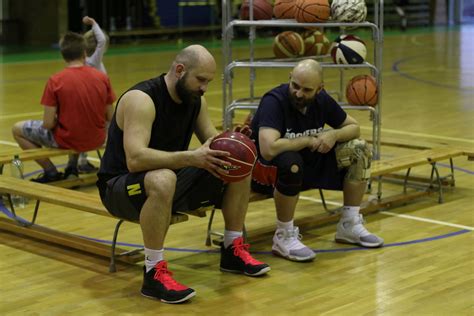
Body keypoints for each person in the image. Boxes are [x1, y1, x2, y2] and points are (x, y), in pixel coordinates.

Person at [96, 45, 270, 304]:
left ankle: (232, 248)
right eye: (200, 80)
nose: (204, 88)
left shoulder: (195, 100)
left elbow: (211, 141)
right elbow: (135, 159)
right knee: (163, 177)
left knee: (236, 162)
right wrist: (191, 157)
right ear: (179, 70)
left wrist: (232, 141)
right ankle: (153, 273)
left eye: (208, 82)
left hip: (168, 181)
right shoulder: (141, 100)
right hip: (119, 187)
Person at [250, 59, 384, 262]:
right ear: (290, 79)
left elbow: (354, 127)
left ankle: (349, 224)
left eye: (306, 90)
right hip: (266, 170)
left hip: (308, 163)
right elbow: (269, 149)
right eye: (295, 86)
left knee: (359, 149)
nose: (298, 93)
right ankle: (283, 235)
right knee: (291, 162)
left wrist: (333, 136)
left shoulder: (322, 101)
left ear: (320, 89)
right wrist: (306, 140)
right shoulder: (274, 101)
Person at [12, 31, 115, 183]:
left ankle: (50, 171)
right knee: (78, 121)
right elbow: (110, 117)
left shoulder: (56, 80)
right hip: (97, 138)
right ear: (85, 53)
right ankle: (71, 167)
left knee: (17, 129)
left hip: (68, 140)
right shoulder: (102, 77)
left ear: (63, 55)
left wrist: (58, 120)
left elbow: (47, 123)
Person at [78, 16, 110, 173]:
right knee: (114, 125)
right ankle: (112, 160)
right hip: (97, 106)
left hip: (89, 105)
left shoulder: (85, 60)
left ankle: (82, 161)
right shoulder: (93, 61)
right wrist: (93, 23)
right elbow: (102, 40)